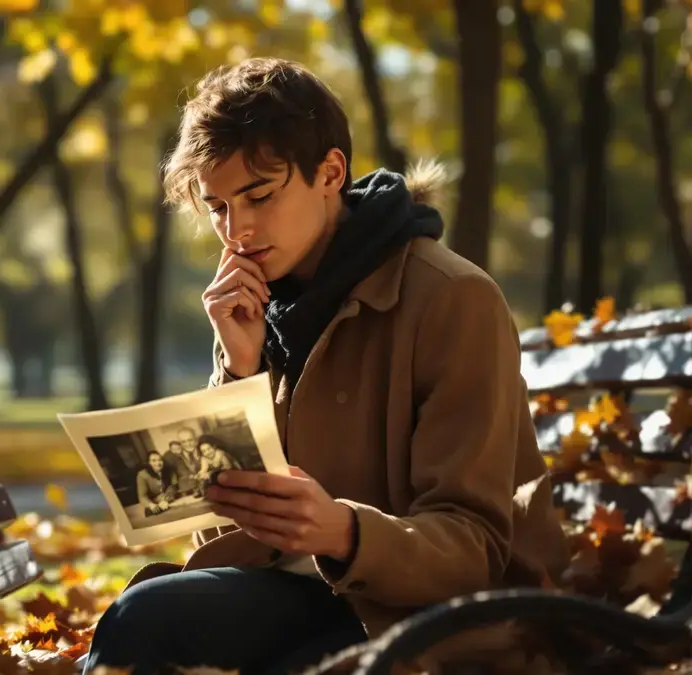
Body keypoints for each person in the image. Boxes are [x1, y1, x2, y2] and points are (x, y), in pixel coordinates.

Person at [83, 57, 571, 675]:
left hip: (444, 625)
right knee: (143, 615)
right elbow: (220, 545)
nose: (239, 231)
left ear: (330, 172)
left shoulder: (451, 298)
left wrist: (342, 530)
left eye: (259, 195)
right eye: (219, 208)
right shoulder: (253, 307)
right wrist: (238, 372)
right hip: (311, 600)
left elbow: (477, 549)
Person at [162, 430, 203, 498]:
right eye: (183, 442)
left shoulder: (204, 450)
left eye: (190, 440)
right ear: (180, 443)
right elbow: (171, 481)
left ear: (195, 440)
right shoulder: (173, 456)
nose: (188, 444)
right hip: (188, 495)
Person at [136, 451, 176, 517]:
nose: (158, 463)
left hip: (168, 501)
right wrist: (151, 505)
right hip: (154, 503)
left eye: (160, 460)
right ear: (148, 463)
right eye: (153, 461)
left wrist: (166, 498)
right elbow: (142, 496)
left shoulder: (168, 470)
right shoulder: (142, 475)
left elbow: (173, 486)